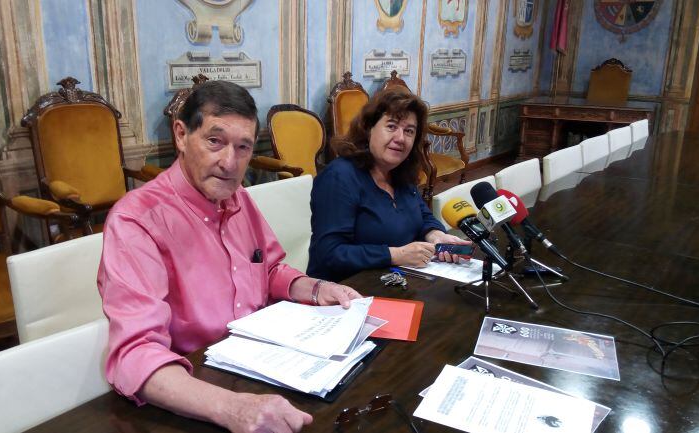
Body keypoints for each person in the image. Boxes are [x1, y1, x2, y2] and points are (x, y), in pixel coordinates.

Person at [98, 80, 361, 433]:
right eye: (214, 141)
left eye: (243, 148)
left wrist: (312, 287)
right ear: (181, 134)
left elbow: (266, 270)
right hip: (193, 393)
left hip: (262, 367)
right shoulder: (137, 220)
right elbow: (134, 354)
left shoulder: (238, 199)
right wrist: (232, 408)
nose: (229, 162)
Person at [307, 88, 470, 282]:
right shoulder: (339, 177)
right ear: (369, 129)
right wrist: (395, 255)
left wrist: (435, 234)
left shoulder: (400, 171)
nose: (401, 138)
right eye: (391, 126)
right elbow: (329, 254)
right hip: (342, 294)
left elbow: (422, 215)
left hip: (395, 281)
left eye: (409, 131)